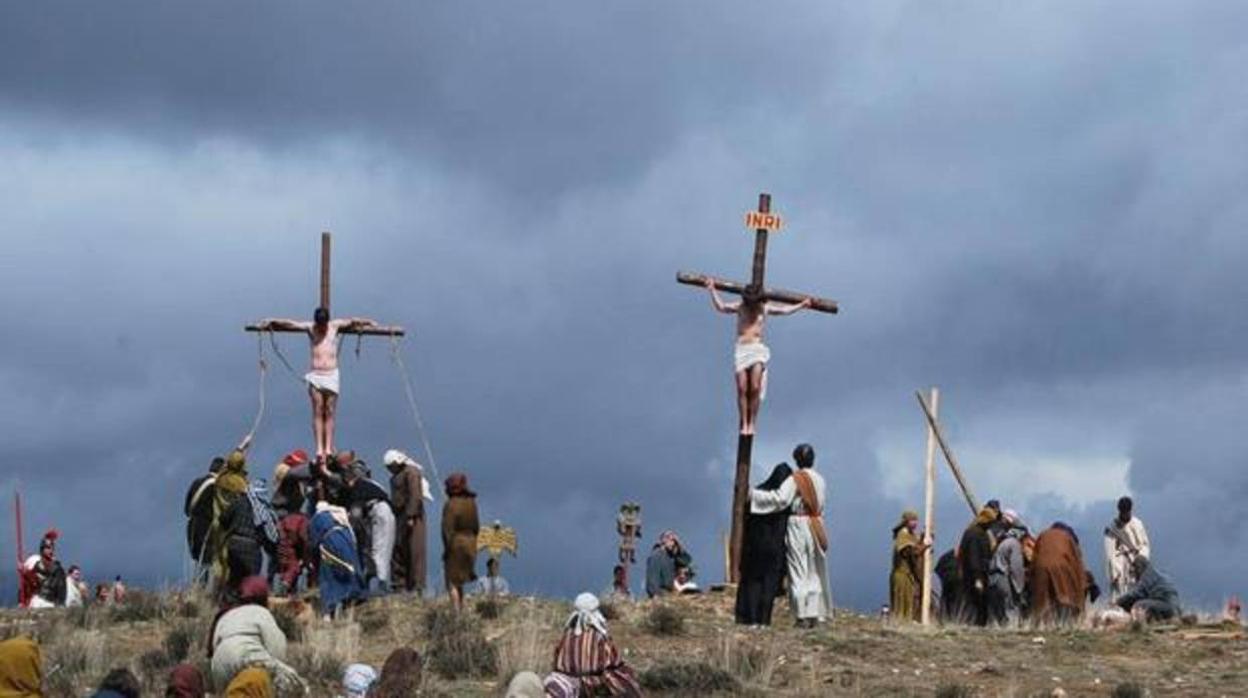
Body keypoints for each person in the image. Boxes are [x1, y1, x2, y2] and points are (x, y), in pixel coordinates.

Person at [256, 309, 378, 462]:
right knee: (318, 409)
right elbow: (291, 323)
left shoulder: (334, 326)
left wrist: (369, 322)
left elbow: (353, 320)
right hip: (316, 375)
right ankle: (320, 447)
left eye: (323, 325)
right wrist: (273, 320)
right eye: (319, 324)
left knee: (330, 410)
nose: (321, 327)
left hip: (331, 374)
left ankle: (328, 446)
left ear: (327, 322)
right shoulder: (310, 327)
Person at [704, 279, 813, 435]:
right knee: (742, 388)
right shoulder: (741, 307)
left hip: (757, 350)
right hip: (742, 349)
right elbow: (721, 307)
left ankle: (752, 423)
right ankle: (745, 422)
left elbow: (783, 310)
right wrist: (712, 289)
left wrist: (801, 305)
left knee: (755, 387)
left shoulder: (763, 308)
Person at [749, 443, 831, 628]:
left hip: (799, 523)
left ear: (797, 459)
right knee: (814, 571)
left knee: (798, 569)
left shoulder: (796, 479)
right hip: (817, 524)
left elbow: (781, 499)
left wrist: (755, 496)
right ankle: (816, 615)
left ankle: (802, 615)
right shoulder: (821, 479)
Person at [208, 576, 304, 693]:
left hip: (219, 663)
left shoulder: (227, 614)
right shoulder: (261, 612)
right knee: (294, 684)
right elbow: (276, 647)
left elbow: (213, 646)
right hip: (247, 655)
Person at [543, 592, 642, 697]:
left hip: (568, 681)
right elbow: (613, 661)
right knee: (622, 678)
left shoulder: (566, 636)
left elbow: (557, 661)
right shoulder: (599, 637)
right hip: (594, 683)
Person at [735, 463, 792, 626]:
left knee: (754, 583)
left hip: (755, 547)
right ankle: (765, 620)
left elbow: (745, 519)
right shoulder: (785, 500)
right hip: (775, 549)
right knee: (769, 585)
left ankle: (752, 619)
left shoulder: (757, 494)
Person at [384, 449, 431, 595]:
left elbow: (414, 495)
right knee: (398, 549)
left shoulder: (411, 472)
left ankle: (416, 586)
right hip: (399, 516)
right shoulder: (397, 476)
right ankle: (400, 585)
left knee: (414, 551)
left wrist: (411, 515)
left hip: (412, 516)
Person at [344, 461, 396, 591]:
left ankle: (382, 583)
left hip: (379, 512)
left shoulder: (358, 486)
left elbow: (356, 514)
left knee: (379, 548)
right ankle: (373, 577)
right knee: (375, 547)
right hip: (381, 513)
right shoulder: (373, 484)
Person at [309, 502, 367, 618]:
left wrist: (313, 563)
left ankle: (328, 612)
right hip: (347, 542)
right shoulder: (340, 514)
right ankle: (353, 601)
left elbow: (314, 544)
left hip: (330, 543)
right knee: (350, 571)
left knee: (328, 576)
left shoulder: (316, 519)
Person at [1030, 522, 1092, 625]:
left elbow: (1035, 557)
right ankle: (1066, 623)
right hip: (1061, 567)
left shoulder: (1043, 535)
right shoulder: (1068, 538)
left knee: (1044, 598)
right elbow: (1078, 565)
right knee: (1065, 593)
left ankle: (1043, 624)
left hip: (1040, 567)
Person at [272, 450, 314, 595]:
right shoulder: (290, 477)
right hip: (287, 523)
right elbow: (303, 472)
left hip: (287, 524)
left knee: (286, 560)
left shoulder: (292, 479)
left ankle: (284, 588)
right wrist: (315, 466)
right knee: (289, 561)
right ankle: (282, 588)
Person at [441, 473, 480, 610]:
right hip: (472, 543)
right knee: (460, 581)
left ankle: (456, 613)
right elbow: (476, 526)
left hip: (456, 544)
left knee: (451, 582)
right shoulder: (472, 503)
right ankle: (461, 609)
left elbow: (447, 530)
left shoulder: (450, 505)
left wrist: (447, 550)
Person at [1104, 496, 1151, 602]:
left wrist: (1140, 558)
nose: (1125, 514)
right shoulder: (1112, 528)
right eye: (1123, 512)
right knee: (1120, 594)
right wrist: (1115, 572)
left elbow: (1145, 545)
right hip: (1120, 563)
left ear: (1130, 510)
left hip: (1136, 562)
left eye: (1127, 512)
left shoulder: (1138, 524)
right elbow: (1109, 552)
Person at [186, 457, 224, 581]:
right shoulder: (218, 486)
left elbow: (186, 510)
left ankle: (197, 588)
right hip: (209, 528)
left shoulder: (196, 482)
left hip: (192, 526)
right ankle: (203, 591)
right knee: (208, 561)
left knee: (198, 560)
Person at [987, 513, 1029, 625]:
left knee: (996, 611)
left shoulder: (1002, 542)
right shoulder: (1014, 544)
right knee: (1011, 607)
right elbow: (1016, 568)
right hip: (1002, 578)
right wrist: (1019, 588)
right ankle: (1012, 630)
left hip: (992, 578)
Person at [957, 507, 996, 626]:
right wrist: (977, 578)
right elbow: (974, 557)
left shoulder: (973, 532)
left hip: (973, 573)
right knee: (978, 604)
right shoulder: (976, 535)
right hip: (975, 575)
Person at [889, 510, 929, 623]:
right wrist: (924, 547)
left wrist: (923, 538)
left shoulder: (911, 535)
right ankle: (899, 623)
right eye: (912, 520)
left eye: (916, 520)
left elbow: (916, 545)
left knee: (909, 601)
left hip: (909, 575)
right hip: (901, 575)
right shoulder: (903, 534)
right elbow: (909, 552)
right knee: (901, 601)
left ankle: (906, 621)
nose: (915, 523)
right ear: (906, 521)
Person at [1116, 556, 1180, 622]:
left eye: (1135, 570)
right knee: (1143, 603)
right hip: (1174, 607)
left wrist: (1118, 601)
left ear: (1139, 568)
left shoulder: (1147, 575)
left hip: (1166, 604)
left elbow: (1137, 593)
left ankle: (1138, 626)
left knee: (1139, 606)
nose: (1135, 575)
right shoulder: (1156, 574)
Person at [21, 530, 66, 609]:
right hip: (36, 603)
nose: (51, 551)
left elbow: (61, 590)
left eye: (52, 548)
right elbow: (30, 584)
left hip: (51, 604)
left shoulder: (57, 569)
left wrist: (59, 605)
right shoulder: (36, 566)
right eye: (48, 548)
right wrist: (24, 573)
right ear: (42, 549)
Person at [644, 530, 690, 598]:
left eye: (674, 541)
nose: (673, 543)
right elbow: (653, 577)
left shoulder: (671, 558)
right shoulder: (657, 555)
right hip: (661, 593)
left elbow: (686, 561)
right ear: (664, 540)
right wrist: (654, 594)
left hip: (669, 592)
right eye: (671, 540)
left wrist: (679, 547)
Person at [934, 548, 961, 622]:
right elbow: (937, 570)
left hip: (951, 584)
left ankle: (948, 620)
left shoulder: (945, 557)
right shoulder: (947, 557)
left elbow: (937, 570)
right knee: (950, 604)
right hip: (951, 584)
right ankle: (947, 620)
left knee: (949, 603)